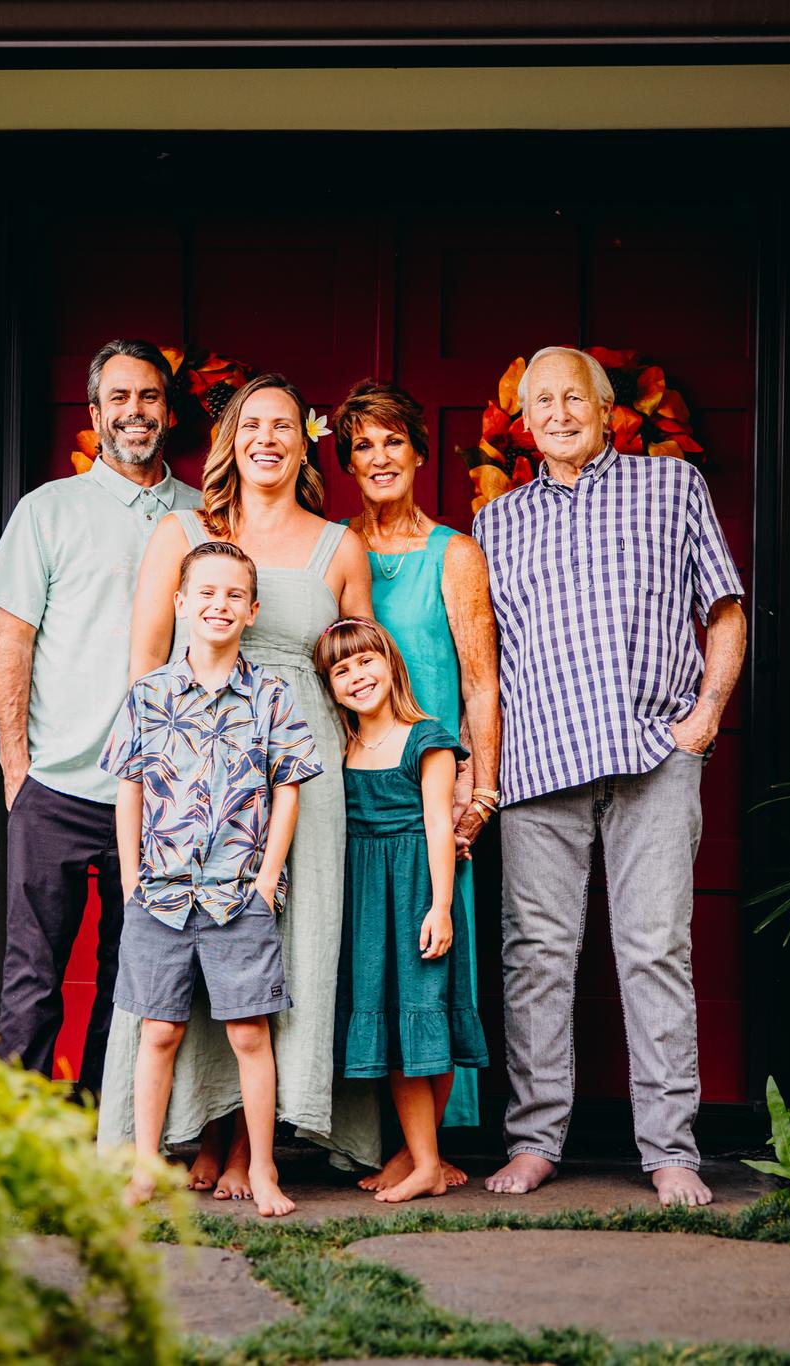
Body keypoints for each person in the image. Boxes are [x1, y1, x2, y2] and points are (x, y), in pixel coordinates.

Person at [474, 346, 747, 1209]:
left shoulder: (672, 490)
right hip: (539, 761)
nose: (557, 412)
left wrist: (704, 718)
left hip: (651, 756)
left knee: (655, 948)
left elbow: (727, 607)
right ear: (524, 421)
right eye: (540, 401)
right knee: (536, 959)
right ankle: (533, 1142)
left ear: (605, 407)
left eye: (573, 397)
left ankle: (671, 1150)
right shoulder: (496, 521)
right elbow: (486, 660)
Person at [95, 372, 379, 1195]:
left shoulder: (340, 545)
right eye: (251, 423)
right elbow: (146, 660)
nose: (266, 438)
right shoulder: (184, 530)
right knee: (183, 951)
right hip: (191, 777)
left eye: (284, 425)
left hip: (299, 770)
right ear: (231, 440)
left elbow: (359, 664)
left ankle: (258, 1149)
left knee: (276, 946)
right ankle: (197, 1138)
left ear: (304, 442)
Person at [0, 339, 201, 1096]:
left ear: (168, 411)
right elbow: (13, 640)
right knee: (33, 973)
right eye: (119, 398)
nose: (134, 412)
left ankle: (108, 1132)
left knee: (133, 979)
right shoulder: (49, 510)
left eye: (148, 397)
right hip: (60, 783)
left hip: (167, 794)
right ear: (97, 412)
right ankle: (19, 1136)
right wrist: (16, 765)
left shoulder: (203, 515)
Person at [105, 541, 321, 1218]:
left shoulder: (271, 695)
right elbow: (128, 788)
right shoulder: (149, 694)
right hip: (159, 894)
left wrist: (266, 880)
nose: (219, 605)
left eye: (233, 595)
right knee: (159, 1032)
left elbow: (288, 790)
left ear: (252, 610)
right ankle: (144, 1167)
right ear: (181, 605)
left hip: (238, 894)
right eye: (207, 593)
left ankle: (261, 1169)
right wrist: (130, 876)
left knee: (249, 1034)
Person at [332, 378, 501, 1190]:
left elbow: (479, 683)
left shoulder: (454, 552)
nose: (379, 457)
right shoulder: (338, 547)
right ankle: (392, 1142)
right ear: (346, 463)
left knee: (432, 970)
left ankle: (431, 1150)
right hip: (360, 797)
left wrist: (483, 790)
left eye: (392, 440)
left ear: (420, 452)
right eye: (362, 445)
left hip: (436, 794)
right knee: (373, 969)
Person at [314, 617, 488, 1204]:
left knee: (424, 1017)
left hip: (417, 891)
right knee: (392, 1026)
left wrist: (440, 907)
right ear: (330, 686)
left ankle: (423, 1163)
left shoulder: (426, 737)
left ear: (390, 664)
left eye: (367, 661)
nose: (357, 676)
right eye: (341, 670)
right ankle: (423, 1158)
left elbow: (440, 825)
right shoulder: (342, 746)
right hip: (364, 900)